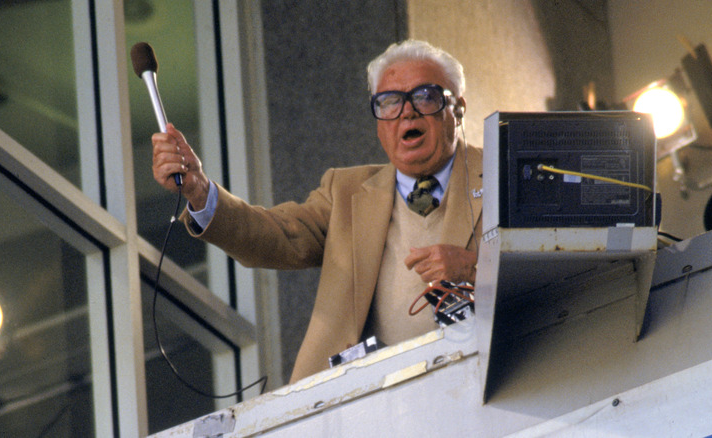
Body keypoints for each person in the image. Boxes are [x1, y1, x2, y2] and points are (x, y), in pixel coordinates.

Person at [152, 39, 482, 383]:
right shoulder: (345, 191)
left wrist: (475, 268)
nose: (407, 112)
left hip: (482, 390)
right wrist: (199, 190)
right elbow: (275, 234)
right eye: (389, 103)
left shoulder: (503, 169)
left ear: (457, 108)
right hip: (366, 403)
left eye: (425, 96)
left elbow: (544, 264)